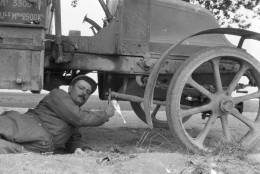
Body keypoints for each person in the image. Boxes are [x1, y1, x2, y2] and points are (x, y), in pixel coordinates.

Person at [0, 75, 114, 154]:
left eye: (88, 92)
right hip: (27, 126)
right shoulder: (58, 95)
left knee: (7, 148)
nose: (84, 93)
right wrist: (105, 114)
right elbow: (79, 117)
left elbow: (73, 140)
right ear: (70, 88)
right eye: (81, 88)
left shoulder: (74, 119)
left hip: (39, 146)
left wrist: (79, 148)